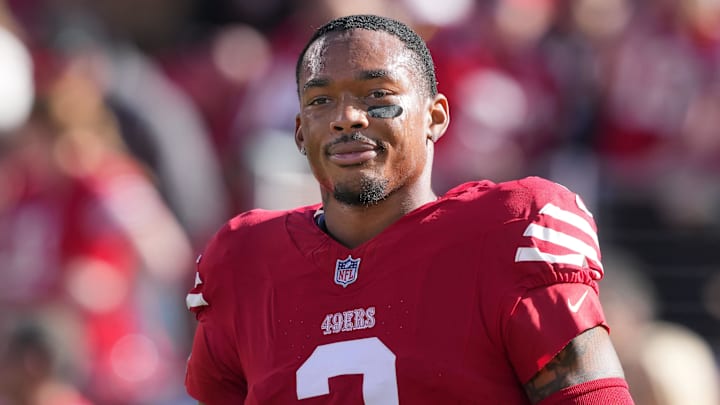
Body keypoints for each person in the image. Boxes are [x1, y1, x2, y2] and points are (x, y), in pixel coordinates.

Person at [184, 14, 634, 404]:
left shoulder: (509, 228)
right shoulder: (244, 261)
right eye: (321, 100)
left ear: (435, 117)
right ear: (300, 131)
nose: (348, 117)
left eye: (377, 94)